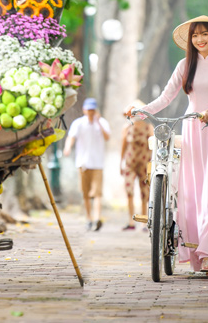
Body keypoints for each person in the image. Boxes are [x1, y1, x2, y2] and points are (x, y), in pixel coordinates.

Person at [125, 15, 208, 275]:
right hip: (191, 129)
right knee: (192, 192)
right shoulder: (185, 65)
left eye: (204, 34)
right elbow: (166, 97)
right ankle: (196, 250)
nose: (200, 39)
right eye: (195, 35)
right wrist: (140, 111)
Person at [63, 98, 110, 231]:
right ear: (84, 110)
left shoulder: (102, 123)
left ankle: (97, 218)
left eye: (92, 110)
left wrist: (98, 123)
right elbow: (71, 137)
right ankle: (89, 218)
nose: (90, 112)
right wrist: (67, 147)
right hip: (83, 162)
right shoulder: (78, 123)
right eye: (88, 109)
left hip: (97, 163)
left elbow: (107, 137)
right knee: (85, 193)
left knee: (97, 193)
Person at [120, 101, 153, 231]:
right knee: (129, 191)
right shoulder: (127, 128)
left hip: (144, 163)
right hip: (130, 163)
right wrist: (120, 162)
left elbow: (153, 144)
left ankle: (144, 221)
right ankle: (131, 221)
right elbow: (123, 146)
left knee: (145, 192)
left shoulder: (148, 127)